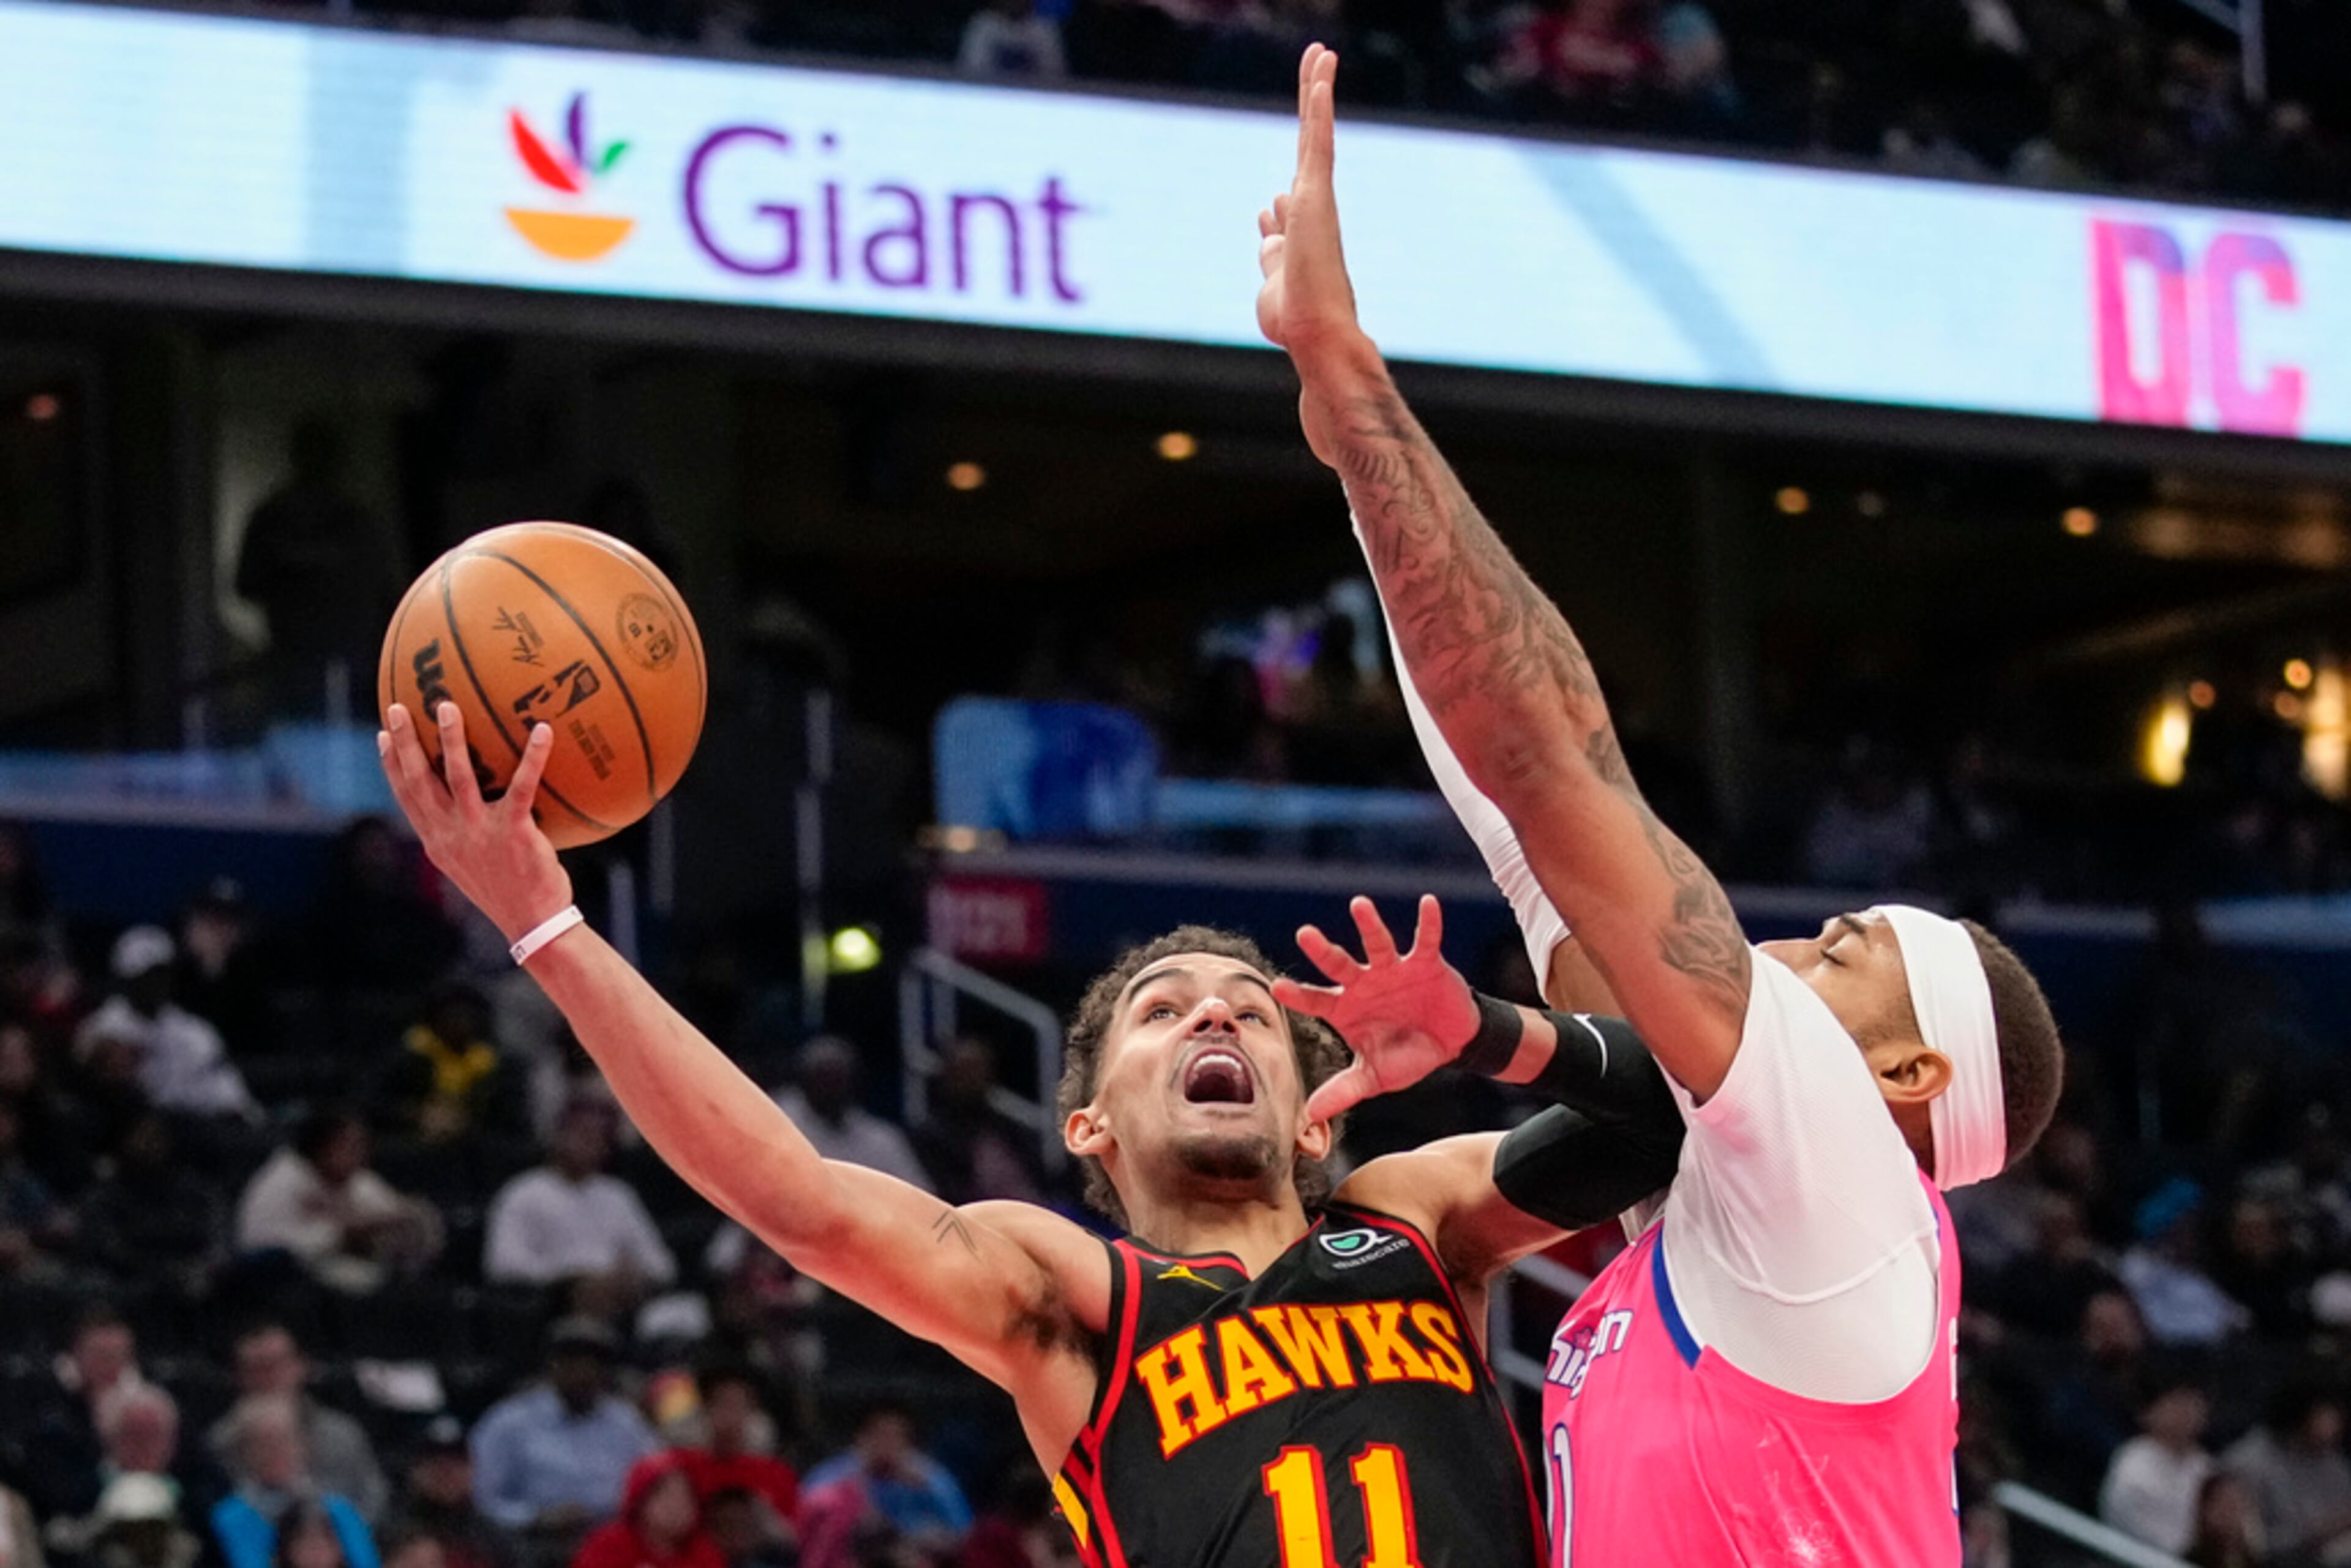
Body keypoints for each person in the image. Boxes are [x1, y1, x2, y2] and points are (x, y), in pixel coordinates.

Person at [1254, 44, 2063, 1567]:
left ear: (1902, 1064)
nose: (1782, 950)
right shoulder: (1726, 1199)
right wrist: (1350, 452)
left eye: (1836, 947)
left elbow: (1556, 754)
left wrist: (1352, 382)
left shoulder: (1836, 1168)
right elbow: (1529, 829)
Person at [376, 681, 1688, 1566]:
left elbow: (1672, 1117)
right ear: (1087, 1127)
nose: (1216, 1022)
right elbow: (791, 1191)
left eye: (1251, 1013)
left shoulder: (1417, 1214)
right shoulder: (1073, 1293)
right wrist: (545, 926)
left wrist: (1496, 1032)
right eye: (1163, 1013)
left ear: (1309, 1117)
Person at [468, 1319, 658, 1545]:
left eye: (592, 1364)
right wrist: (534, 1517)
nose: (581, 1374)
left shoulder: (627, 1423)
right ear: (551, 1366)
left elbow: (657, 1483)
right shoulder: (510, 1422)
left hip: (614, 1540)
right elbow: (480, 1499)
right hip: (533, 1542)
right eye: (570, 1363)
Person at [483, 1101, 675, 1314]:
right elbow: (503, 1264)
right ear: (558, 1136)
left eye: (599, 1138)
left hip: (620, 1302)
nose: (591, 1144)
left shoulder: (618, 1195)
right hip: (552, 1305)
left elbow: (663, 1266)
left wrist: (634, 1273)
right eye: (582, 1135)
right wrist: (568, 1277)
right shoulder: (524, 1192)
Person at [236, 1113, 443, 1297]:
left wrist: (406, 1219)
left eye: (363, 1146)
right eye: (350, 1147)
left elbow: (409, 1218)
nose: (361, 1155)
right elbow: (260, 1245)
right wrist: (342, 1234)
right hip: (289, 1288)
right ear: (320, 1146)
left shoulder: (358, 1180)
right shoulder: (282, 1180)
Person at [76, 929, 260, 1125]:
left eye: (160, 974)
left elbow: (230, 1093)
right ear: (125, 978)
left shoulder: (194, 1031)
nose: (154, 984)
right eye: (145, 977)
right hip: (127, 1129)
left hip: (194, 1128)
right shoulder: (100, 1028)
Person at [207, 1326, 390, 1523]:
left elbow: (373, 1498)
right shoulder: (221, 1442)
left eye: (277, 1365)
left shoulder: (342, 1434)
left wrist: (338, 1541)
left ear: (302, 1365)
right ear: (239, 1376)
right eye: (255, 1369)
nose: (268, 1378)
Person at [209, 1397, 380, 1568]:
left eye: (284, 1441)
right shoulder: (231, 1517)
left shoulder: (338, 1510)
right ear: (244, 1452)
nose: (275, 1453)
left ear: (302, 1445)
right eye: (262, 1445)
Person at [798, 1405, 966, 1564]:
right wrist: (857, 1483)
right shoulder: (838, 1473)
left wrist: (929, 1489)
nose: (887, 1444)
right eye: (880, 1435)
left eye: (896, 1436)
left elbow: (964, 1529)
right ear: (862, 1437)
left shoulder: (929, 1475)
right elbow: (805, 1514)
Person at [769, 1038, 932, 1193]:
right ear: (805, 1080)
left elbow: (920, 1193)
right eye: (824, 1077)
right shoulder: (778, 1123)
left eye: (839, 1078)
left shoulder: (881, 1139)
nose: (831, 1088)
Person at [2221, 1383, 2351, 1558]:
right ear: (2302, 1415)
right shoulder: (2251, 1463)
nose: (2335, 1427)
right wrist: (2316, 1533)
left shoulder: (2335, 1464)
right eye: (2326, 1418)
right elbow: (2253, 1543)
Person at [666, 1369, 796, 1529]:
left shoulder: (777, 1474)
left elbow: (792, 1532)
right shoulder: (680, 1468)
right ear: (707, 1410)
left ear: (751, 1412)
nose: (730, 1414)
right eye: (722, 1404)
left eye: (739, 1405)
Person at [2100, 1377, 2216, 1554]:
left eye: (2193, 1404)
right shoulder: (2133, 1463)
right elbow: (2135, 1529)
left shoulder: (2205, 1465)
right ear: (2149, 1413)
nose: (2187, 1413)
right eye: (2177, 1404)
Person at [381, 1418, 511, 1568]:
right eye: (437, 1464)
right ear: (416, 1470)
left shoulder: (492, 1540)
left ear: (471, 1469)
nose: (447, 1474)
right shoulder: (390, 1532)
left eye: (456, 1464)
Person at [567, 1457, 719, 1568]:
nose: (678, 1506)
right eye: (666, 1496)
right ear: (639, 1504)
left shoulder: (704, 1553)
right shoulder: (608, 1546)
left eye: (687, 1496)